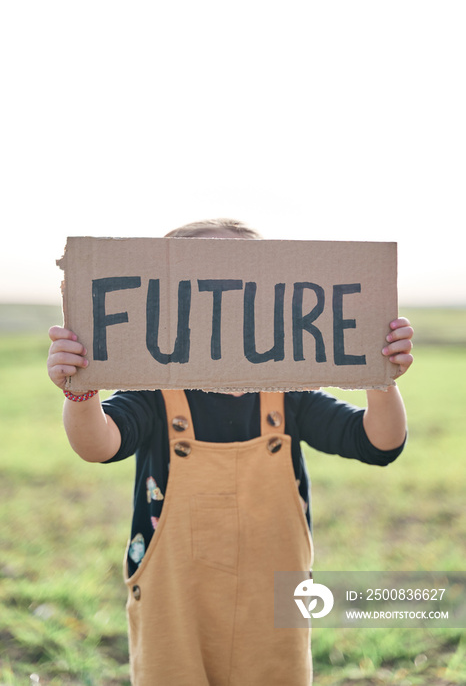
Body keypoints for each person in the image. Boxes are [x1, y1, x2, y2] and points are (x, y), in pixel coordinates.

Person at [47, 219, 414, 686]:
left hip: (273, 603)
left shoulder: (290, 394)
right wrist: (81, 394)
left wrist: (379, 379)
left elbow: (378, 443)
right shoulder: (155, 392)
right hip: (174, 602)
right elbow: (99, 445)